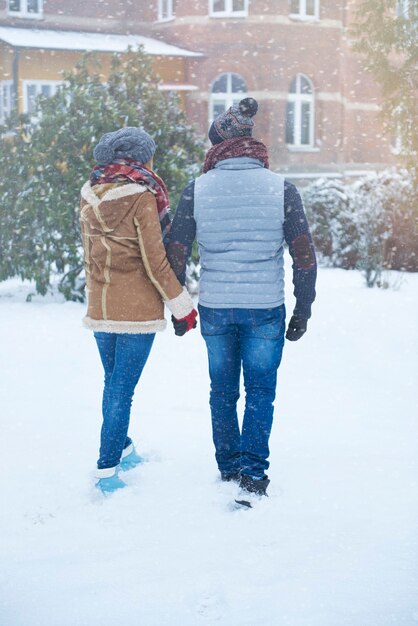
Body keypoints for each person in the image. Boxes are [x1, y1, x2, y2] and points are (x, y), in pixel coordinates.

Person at [166, 98, 317, 498]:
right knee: (261, 391)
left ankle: (228, 465)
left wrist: (178, 306)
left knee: (222, 391)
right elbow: (303, 253)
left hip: (216, 307)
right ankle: (252, 471)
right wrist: (303, 308)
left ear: (217, 145)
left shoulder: (196, 190)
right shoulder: (282, 189)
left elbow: (176, 250)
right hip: (265, 308)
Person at [80, 127, 197, 493]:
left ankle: (123, 447)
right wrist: (182, 306)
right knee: (121, 391)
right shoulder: (142, 196)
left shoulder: (90, 193)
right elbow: (155, 260)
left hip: (101, 306)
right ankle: (107, 468)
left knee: (113, 384)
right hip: (135, 310)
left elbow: (91, 257)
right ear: (139, 159)